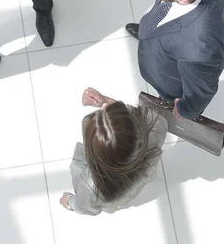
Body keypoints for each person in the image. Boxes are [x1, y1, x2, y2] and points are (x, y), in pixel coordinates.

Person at [95, 0, 224, 119]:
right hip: (165, 32)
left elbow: (200, 94)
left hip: (170, 78)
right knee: (152, 33)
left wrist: (182, 112)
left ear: (183, 0)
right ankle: (153, 33)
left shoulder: (199, 47)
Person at [59, 87, 167, 215]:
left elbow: (84, 207)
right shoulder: (156, 126)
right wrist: (106, 100)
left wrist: (69, 201)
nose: (104, 106)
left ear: (95, 153)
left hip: (116, 200)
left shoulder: (90, 186)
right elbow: (132, 116)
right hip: (141, 178)